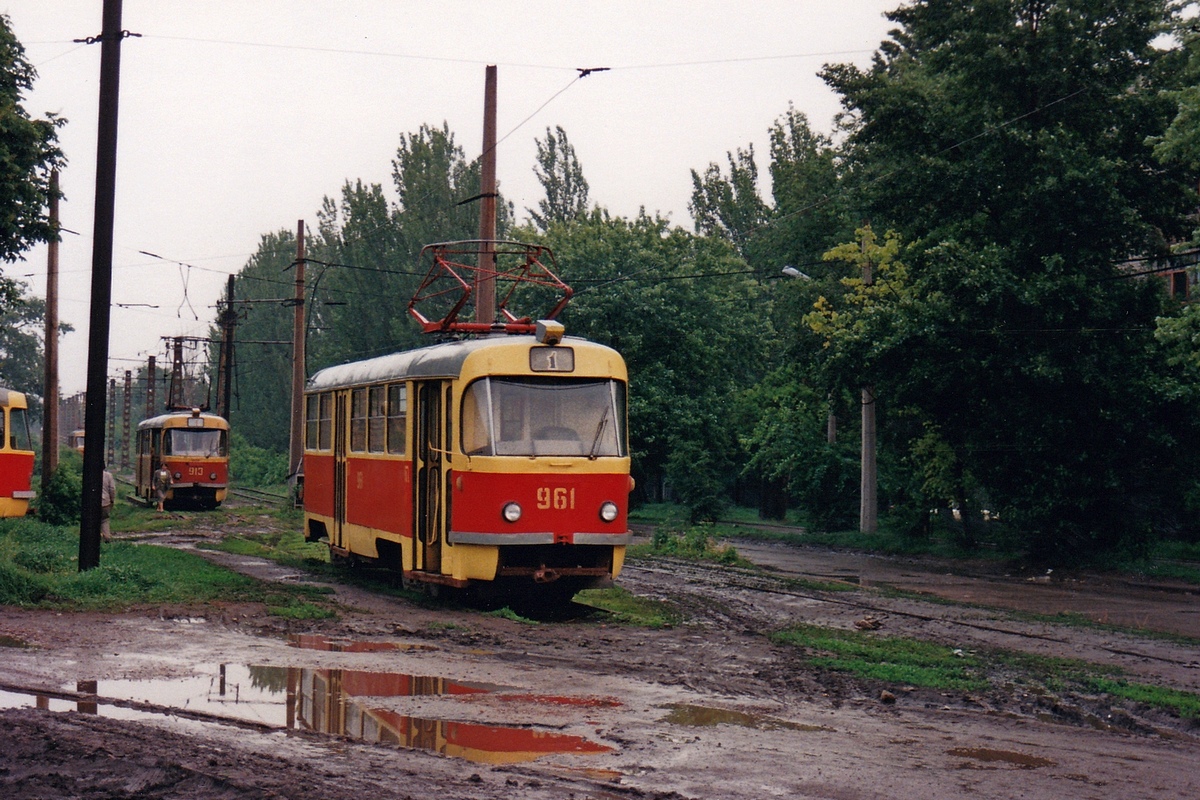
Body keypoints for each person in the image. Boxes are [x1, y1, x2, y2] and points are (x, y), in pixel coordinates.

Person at [100, 468, 116, 542]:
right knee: (105, 520)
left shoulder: (89, 474)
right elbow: (112, 489)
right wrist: (112, 500)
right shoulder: (108, 475)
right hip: (105, 502)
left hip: (92, 503)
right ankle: (106, 537)